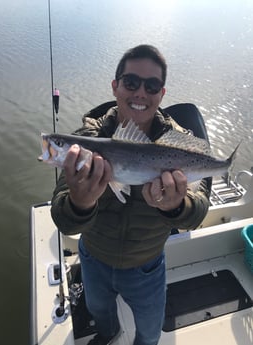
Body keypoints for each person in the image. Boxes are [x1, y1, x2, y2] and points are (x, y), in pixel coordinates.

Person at [51, 45, 211, 345]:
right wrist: (80, 202)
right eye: (131, 82)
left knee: (150, 330)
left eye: (151, 86)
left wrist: (176, 206)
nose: (140, 93)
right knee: (100, 312)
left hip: (147, 265)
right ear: (115, 86)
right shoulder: (87, 141)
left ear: (161, 94)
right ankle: (108, 332)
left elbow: (198, 213)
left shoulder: (181, 144)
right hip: (93, 258)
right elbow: (64, 223)